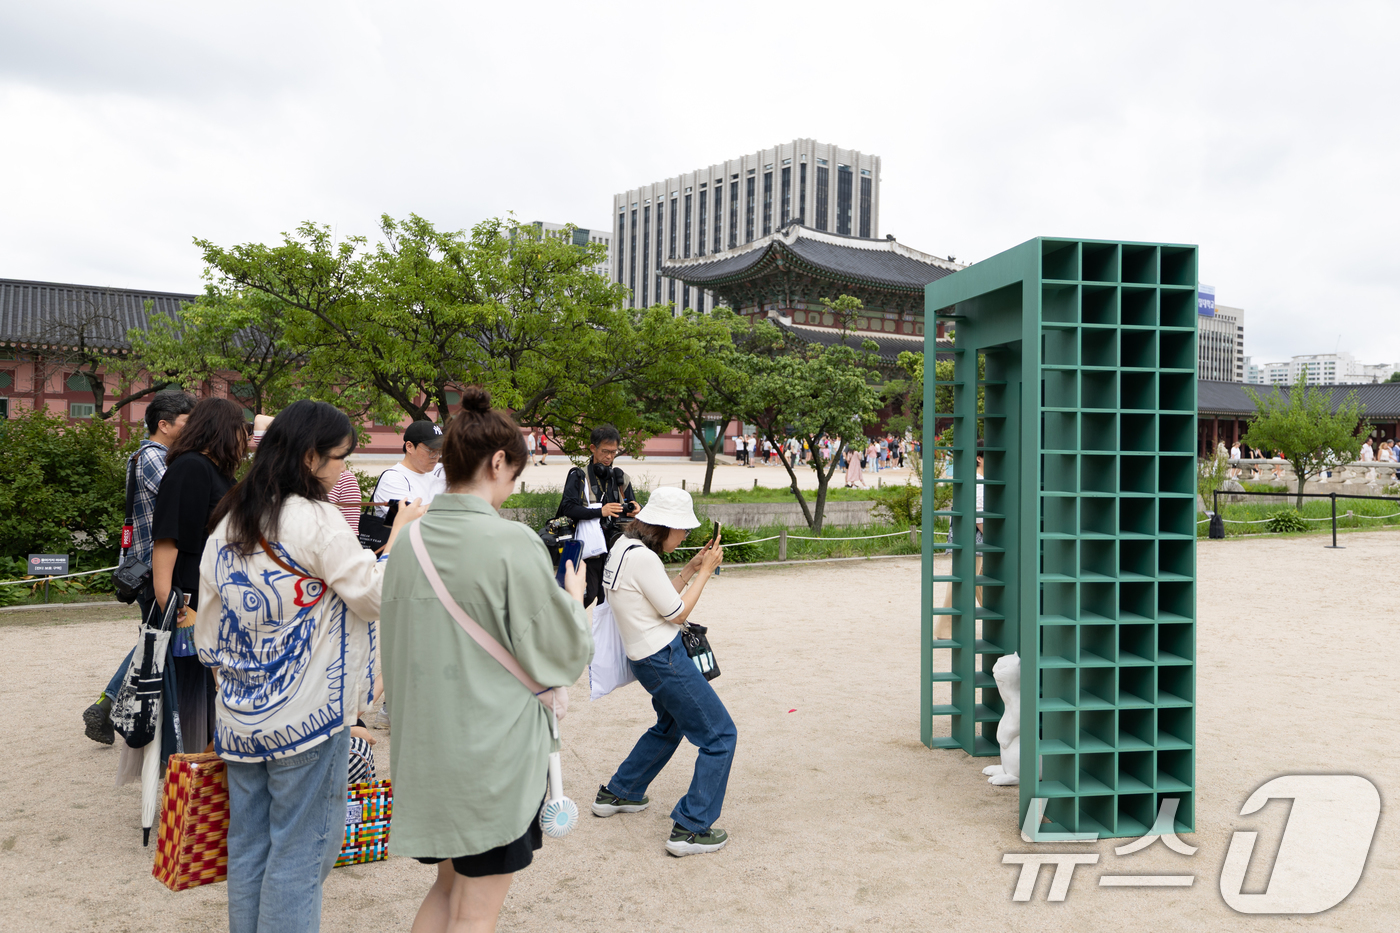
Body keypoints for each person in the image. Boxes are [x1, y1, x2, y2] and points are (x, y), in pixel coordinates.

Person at [197, 400, 425, 933]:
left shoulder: (232, 514)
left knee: (250, 844)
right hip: (308, 714)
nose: (344, 468)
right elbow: (372, 596)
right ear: (309, 457)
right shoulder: (315, 518)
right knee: (302, 853)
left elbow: (207, 625)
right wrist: (400, 539)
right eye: (340, 457)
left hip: (239, 715)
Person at [381, 387, 592, 933]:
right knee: (477, 912)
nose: (510, 488)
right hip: (489, 762)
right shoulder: (512, 542)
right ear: (498, 461)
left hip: (427, 754)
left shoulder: (409, 543)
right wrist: (573, 598)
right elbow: (561, 654)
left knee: (446, 886)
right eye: (514, 476)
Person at [593, 486, 732, 857]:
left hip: (646, 657)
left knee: (670, 726)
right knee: (720, 735)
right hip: (663, 658)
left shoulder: (624, 547)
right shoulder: (643, 559)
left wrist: (690, 568)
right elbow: (677, 613)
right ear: (664, 525)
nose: (685, 535)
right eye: (682, 529)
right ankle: (691, 827)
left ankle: (620, 791)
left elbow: (658, 599)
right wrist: (706, 572)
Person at [82, 390, 196, 745]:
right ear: (164, 425)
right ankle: (110, 705)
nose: (193, 430)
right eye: (187, 423)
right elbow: (180, 500)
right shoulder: (152, 457)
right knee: (157, 640)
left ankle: (107, 705)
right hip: (154, 569)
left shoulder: (155, 456)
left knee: (155, 638)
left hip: (149, 567)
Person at [150, 397, 249, 756]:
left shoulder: (218, 472)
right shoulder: (190, 467)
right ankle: (187, 784)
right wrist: (168, 599)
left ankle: (204, 785)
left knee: (211, 698)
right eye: (242, 428)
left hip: (216, 597)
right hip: (188, 600)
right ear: (223, 429)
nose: (245, 437)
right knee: (191, 700)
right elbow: (167, 537)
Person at [557, 425, 641, 607]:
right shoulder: (579, 476)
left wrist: (636, 508)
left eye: (613, 452)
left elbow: (630, 506)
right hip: (588, 550)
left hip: (615, 548)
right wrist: (600, 512)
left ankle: (599, 636)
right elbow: (568, 508)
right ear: (592, 448)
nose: (609, 457)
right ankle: (566, 630)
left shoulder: (621, 478)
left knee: (608, 601)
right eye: (605, 451)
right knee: (587, 595)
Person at [935, 443, 985, 641]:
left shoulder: (971, 479)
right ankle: (945, 629)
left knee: (978, 582)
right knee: (964, 583)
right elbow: (978, 514)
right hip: (975, 539)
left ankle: (997, 618)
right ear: (979, 458)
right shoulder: (979, 481)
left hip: (965, 538)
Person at [373, 421, 446, 517]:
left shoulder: (436, 475)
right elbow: (408, 517)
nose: (437, 456)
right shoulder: (392, 478)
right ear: (409, 446)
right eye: (432, 450)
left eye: (440, 450)